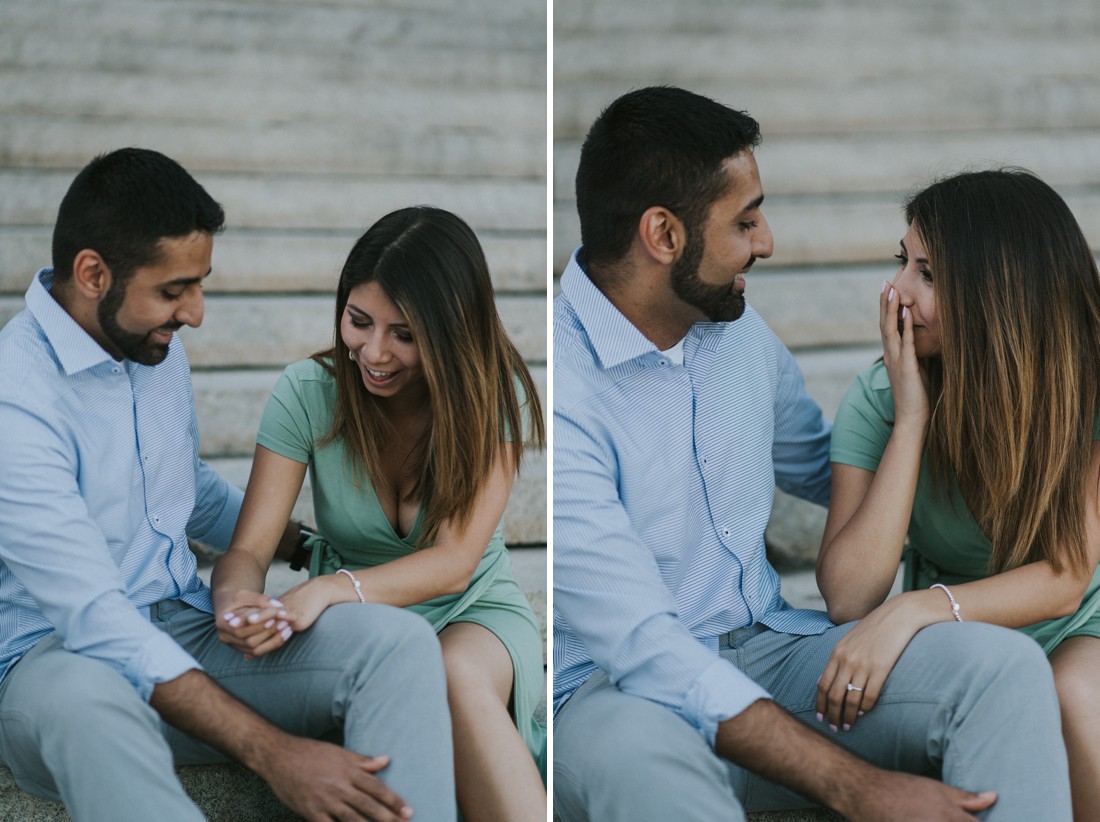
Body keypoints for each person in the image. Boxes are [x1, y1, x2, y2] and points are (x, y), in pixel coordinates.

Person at [552, 86, 1074, 822]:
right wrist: (859, 787)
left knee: (1003, 670)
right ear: (663, 235)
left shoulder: (733, 328)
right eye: (745, 220)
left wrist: (946, 433)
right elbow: (644, 648)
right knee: (648, 771)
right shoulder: (561, 388)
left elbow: (830, 475)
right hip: (615, 692)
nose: (766, 243)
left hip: (773, 653)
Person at [0, 148, 456, 822]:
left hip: (181, 628)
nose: (196, 313)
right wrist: (274, 753)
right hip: (55, 664)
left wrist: (303, 547)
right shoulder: (16, 401)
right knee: (88, 701)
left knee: (397, 644)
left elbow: (183, 489)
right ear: (93, 273)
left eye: (200, 283)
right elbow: (97, 621)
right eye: (174, 289)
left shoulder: (149, 345)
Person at [210, 205, 547, 822]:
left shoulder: (492, 395)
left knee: (453, 675)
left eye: (406, 335)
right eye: (359, 322)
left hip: (471, 608)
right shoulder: (306, 393)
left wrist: (332, 590)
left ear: (450, 335)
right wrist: (235, 599)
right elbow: (250, 550)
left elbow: (453, 565)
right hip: (361, 625)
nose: (374, 352)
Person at [817, 168, 1100, 820]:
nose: (897, 291)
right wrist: (911, 420)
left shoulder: (1085, 389)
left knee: (1073, 700)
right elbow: (849, 594)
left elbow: (1065, 580)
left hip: (1083, 619)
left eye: (930, 274)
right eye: (903, 262)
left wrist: (915, 609)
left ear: (1001, 291)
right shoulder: (879, 399)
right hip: (967, 637)